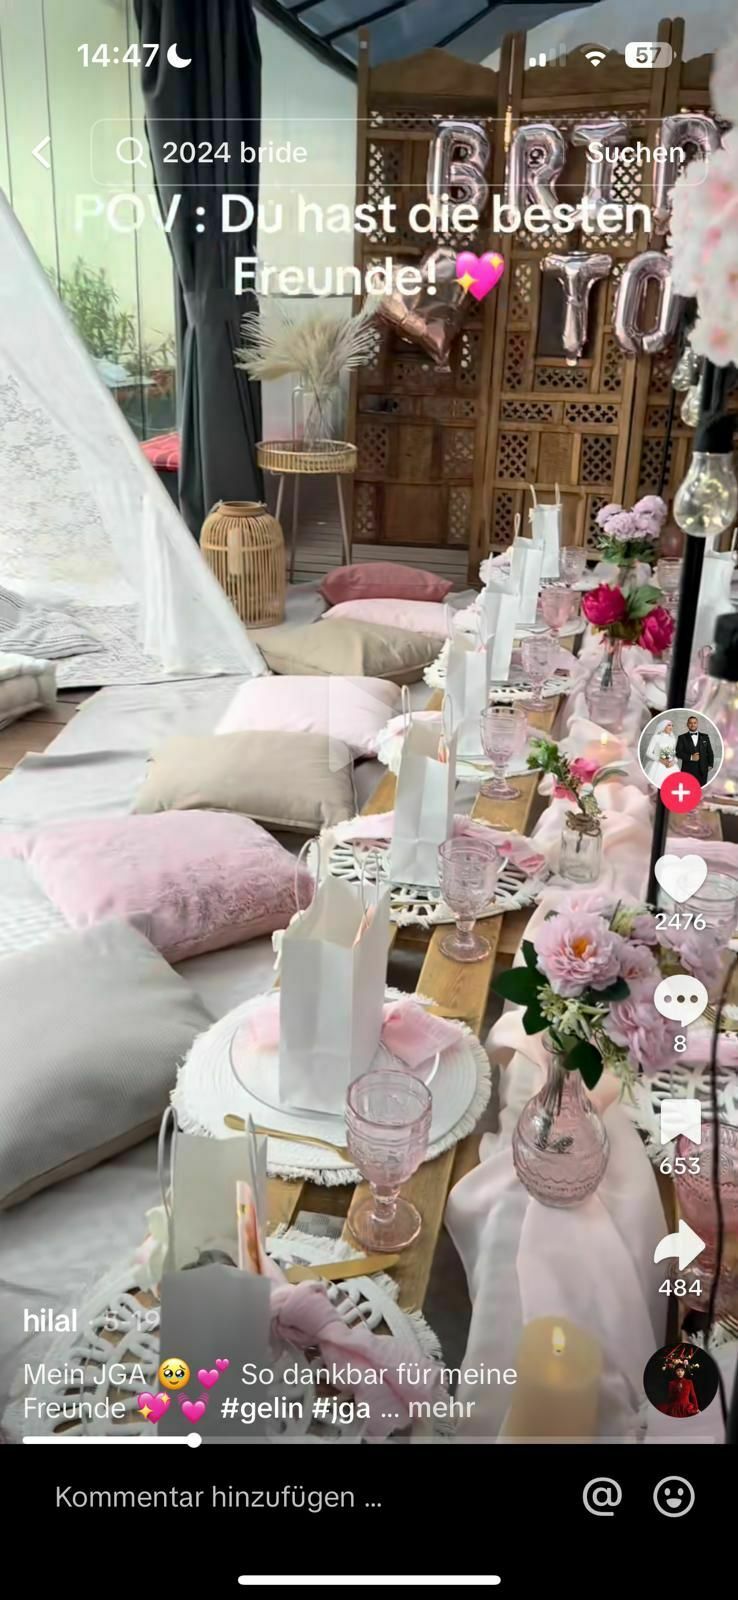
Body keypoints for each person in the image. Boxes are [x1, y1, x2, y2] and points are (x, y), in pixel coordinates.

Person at [675, 714, 714, 784]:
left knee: (701, 788)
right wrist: (691, 757)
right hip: (687, 770)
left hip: (702, 770)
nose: (692, 725)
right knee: (688, 788)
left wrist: (710, 764)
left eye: (694, 723)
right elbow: (678, 753)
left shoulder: (705, 737)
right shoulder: (682, 737)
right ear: (687, 724)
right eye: (690, 723)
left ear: (697, 724)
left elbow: (710, 751)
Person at [644, 719, 677, 786]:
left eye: (672, 725)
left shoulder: (673, 739)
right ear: (663, 726)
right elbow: (648, 752)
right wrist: (660, 760)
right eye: (669, 725)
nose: (671, 727)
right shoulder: (656, 737)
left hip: (671, 766)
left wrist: (673, 762)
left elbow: (674, 754)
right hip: (657, 766)